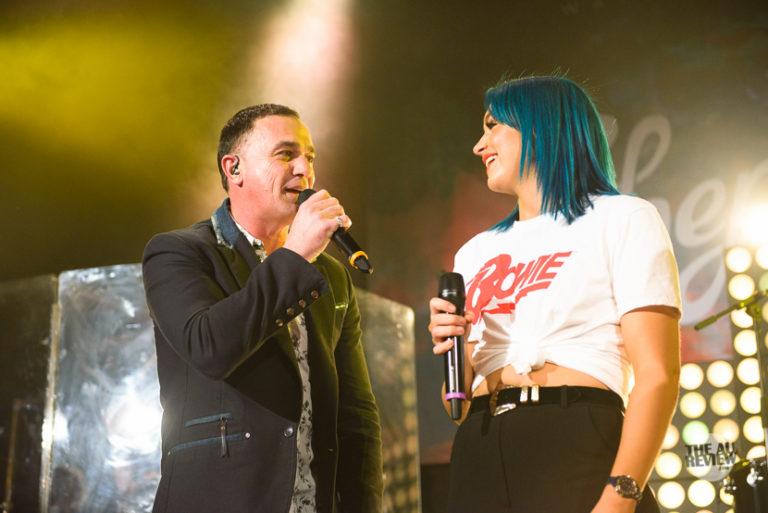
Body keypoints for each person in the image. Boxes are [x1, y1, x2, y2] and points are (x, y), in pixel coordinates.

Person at [428, 76, 681, 513]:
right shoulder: (474, 252)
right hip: (480, 448)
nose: (479, 145)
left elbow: (658, 374)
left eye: (492, 126)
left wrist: (621, 494)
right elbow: (461, 406)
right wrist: (456, 344)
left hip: (575, 438)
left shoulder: (622, 218)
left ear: (541, 125)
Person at [142, 104, 383, 513]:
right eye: (286, 154)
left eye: (310, 158)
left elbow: (356, 413)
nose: (304, 170)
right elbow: (209, 346)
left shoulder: (330, 275)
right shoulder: (179, 252)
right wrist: (296, 255)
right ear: (233, 168)